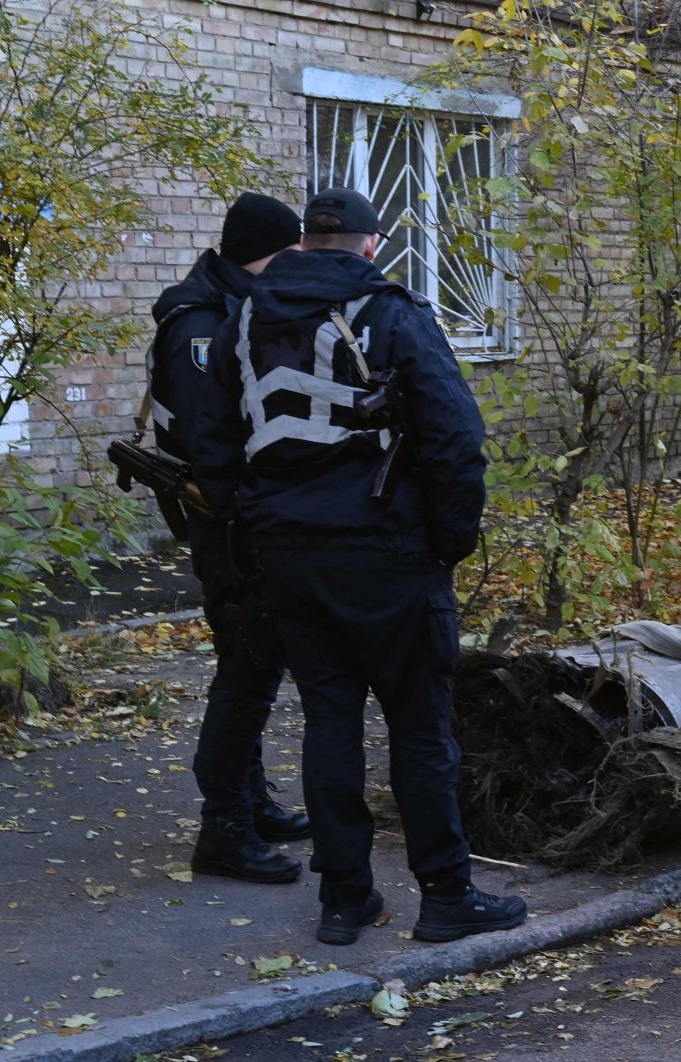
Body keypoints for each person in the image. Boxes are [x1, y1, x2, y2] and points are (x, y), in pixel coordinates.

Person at [188, 187, 527, 946]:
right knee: (418, 729)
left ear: (305, 243)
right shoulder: (393, 313)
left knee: (328, 723)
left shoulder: (244, 317)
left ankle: (345, 901)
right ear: (373, 245)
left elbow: (208, 443)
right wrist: (448, 540)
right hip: (389, 554)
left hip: (289, 560)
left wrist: (258, 514)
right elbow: (454, 438)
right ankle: (446, 896)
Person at [148, 192, 309, 884]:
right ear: (268, 252)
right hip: (228, 525)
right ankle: (224, 829)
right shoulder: (200, 327)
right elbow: (213, 447)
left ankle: (250, 801)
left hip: (241, 520)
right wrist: (256, 512)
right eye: (294, 252)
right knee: (245, 670)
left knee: (256, 664)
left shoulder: (231, 306)